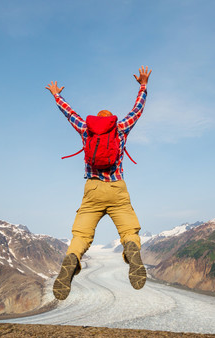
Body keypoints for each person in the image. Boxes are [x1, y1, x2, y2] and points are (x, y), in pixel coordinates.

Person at [46, 66, 152, 300]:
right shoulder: (120, 129)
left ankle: (72, 258)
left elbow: (69, 113)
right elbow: (138, 110)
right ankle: (131, 250)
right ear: (111, 120)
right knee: (129, 231)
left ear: (96, 121)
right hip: (117, 189)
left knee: (81, 236)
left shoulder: (86, 130)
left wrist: (56, 95)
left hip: (93, 189)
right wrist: (143, 85)